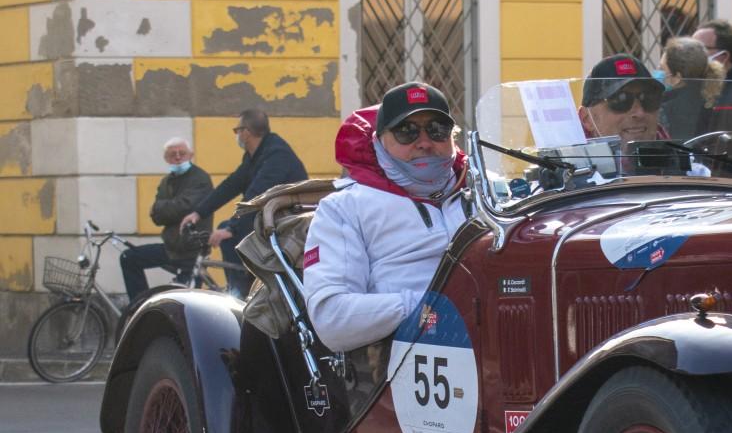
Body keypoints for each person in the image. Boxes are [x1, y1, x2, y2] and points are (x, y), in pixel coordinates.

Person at [302, 82, 470, 352]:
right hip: (405, 355)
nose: (424, 142)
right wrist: (430, 309)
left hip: (506, 339)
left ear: (454, 136)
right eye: (407, 131)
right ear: (378, 142)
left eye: (437, 129)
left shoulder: (488, 192)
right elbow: (331, 318)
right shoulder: (344, 208)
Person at [181, 108, 307, 295]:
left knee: (230, 237)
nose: (237, 135)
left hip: (289, 226)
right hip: (271, 220)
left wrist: (231, 228)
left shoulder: (277, 155)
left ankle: (240, 295)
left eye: (237, 130)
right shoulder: (256, 155)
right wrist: (199, 213)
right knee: (232, 233)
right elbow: (231, 185)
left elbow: (257, 194)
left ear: (246, 132)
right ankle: (245, 288)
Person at [120, 137, 215, 302]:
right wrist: (165, 209)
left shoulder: (200, 178)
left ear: (191, 155)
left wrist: (160, 207)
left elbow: (183, 207)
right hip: (171, 248)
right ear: (166, 158)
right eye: (172, 154)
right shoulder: (166, 181)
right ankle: (140, 306)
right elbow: (157, 218)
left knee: (183, 302)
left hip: (191, 250)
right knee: (129, 258)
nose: (178, 157)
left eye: (182, 153)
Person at [578, 54, 666, 142]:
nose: (640, 113)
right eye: (621, 100)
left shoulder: (672, 149)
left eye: (648, 98)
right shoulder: (572, 150)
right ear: (587, 119)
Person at [657, 36, 725, 140]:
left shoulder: (666, 107)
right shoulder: (714, 98)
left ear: (677, 77)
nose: (658, 71)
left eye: (662, 68)